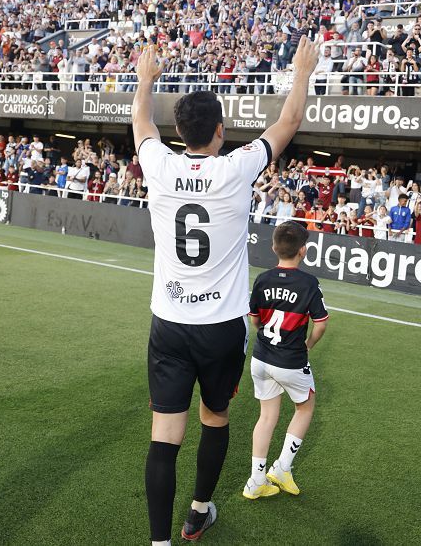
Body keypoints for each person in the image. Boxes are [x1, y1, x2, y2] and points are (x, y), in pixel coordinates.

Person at [135, 36, 320, 546]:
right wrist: (301, 71)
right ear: (220, 131)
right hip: (220, 328)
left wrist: (147, 79)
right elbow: (287, 126)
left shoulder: (158, 163)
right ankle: (198, 512)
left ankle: (159, 542)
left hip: (169, 324)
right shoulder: (237, 167)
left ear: (179, 132)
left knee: (163, 438)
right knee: (215, 418)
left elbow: (141, 125)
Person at [243, 222, 329, 500]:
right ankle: (281, 468)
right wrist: (309, 345)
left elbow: (254, 318)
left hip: (261, 358)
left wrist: (265, 335)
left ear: (273, 248)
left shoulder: (263, 278)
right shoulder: (308, 283)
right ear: (303, 251)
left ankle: (256, 481)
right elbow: (321, 324)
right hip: (290, 360)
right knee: (304, 408)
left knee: (266, 416)